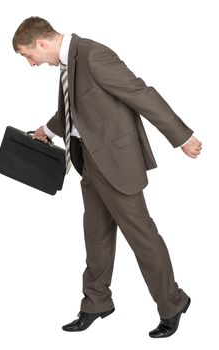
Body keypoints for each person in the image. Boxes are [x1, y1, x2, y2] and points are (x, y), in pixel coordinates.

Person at [12, 16, 202, 338]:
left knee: (142, 237)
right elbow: (74, 111)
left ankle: (173, 303)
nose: (31, 64)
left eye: (28, 56)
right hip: (90, 162)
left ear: (41, 44)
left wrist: (182, 137)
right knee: (96, 237)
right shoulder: (68, 63)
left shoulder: (92, 55)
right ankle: (96, 302)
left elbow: (141, 94)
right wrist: (46, 131)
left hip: (117, 164)